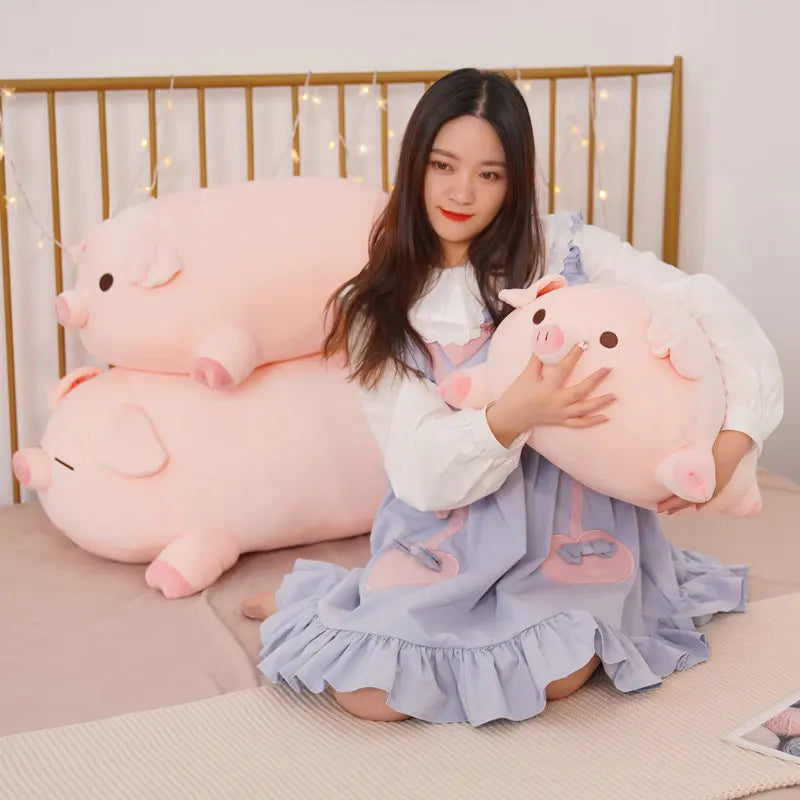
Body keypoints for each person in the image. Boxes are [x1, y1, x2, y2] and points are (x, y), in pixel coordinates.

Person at [242, 68, 783, 725]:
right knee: (369, 698)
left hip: (574, 527)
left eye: (489, 174)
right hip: (448, 530)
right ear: (416, 164)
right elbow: (420, 469)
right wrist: (512, 415)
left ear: (515, 178)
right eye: (443, 165)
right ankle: (321, 602)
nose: (462, 192)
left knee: (550, 674)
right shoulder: (376, 307)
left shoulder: (565, 250)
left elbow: (702, 305)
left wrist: (734, 442)